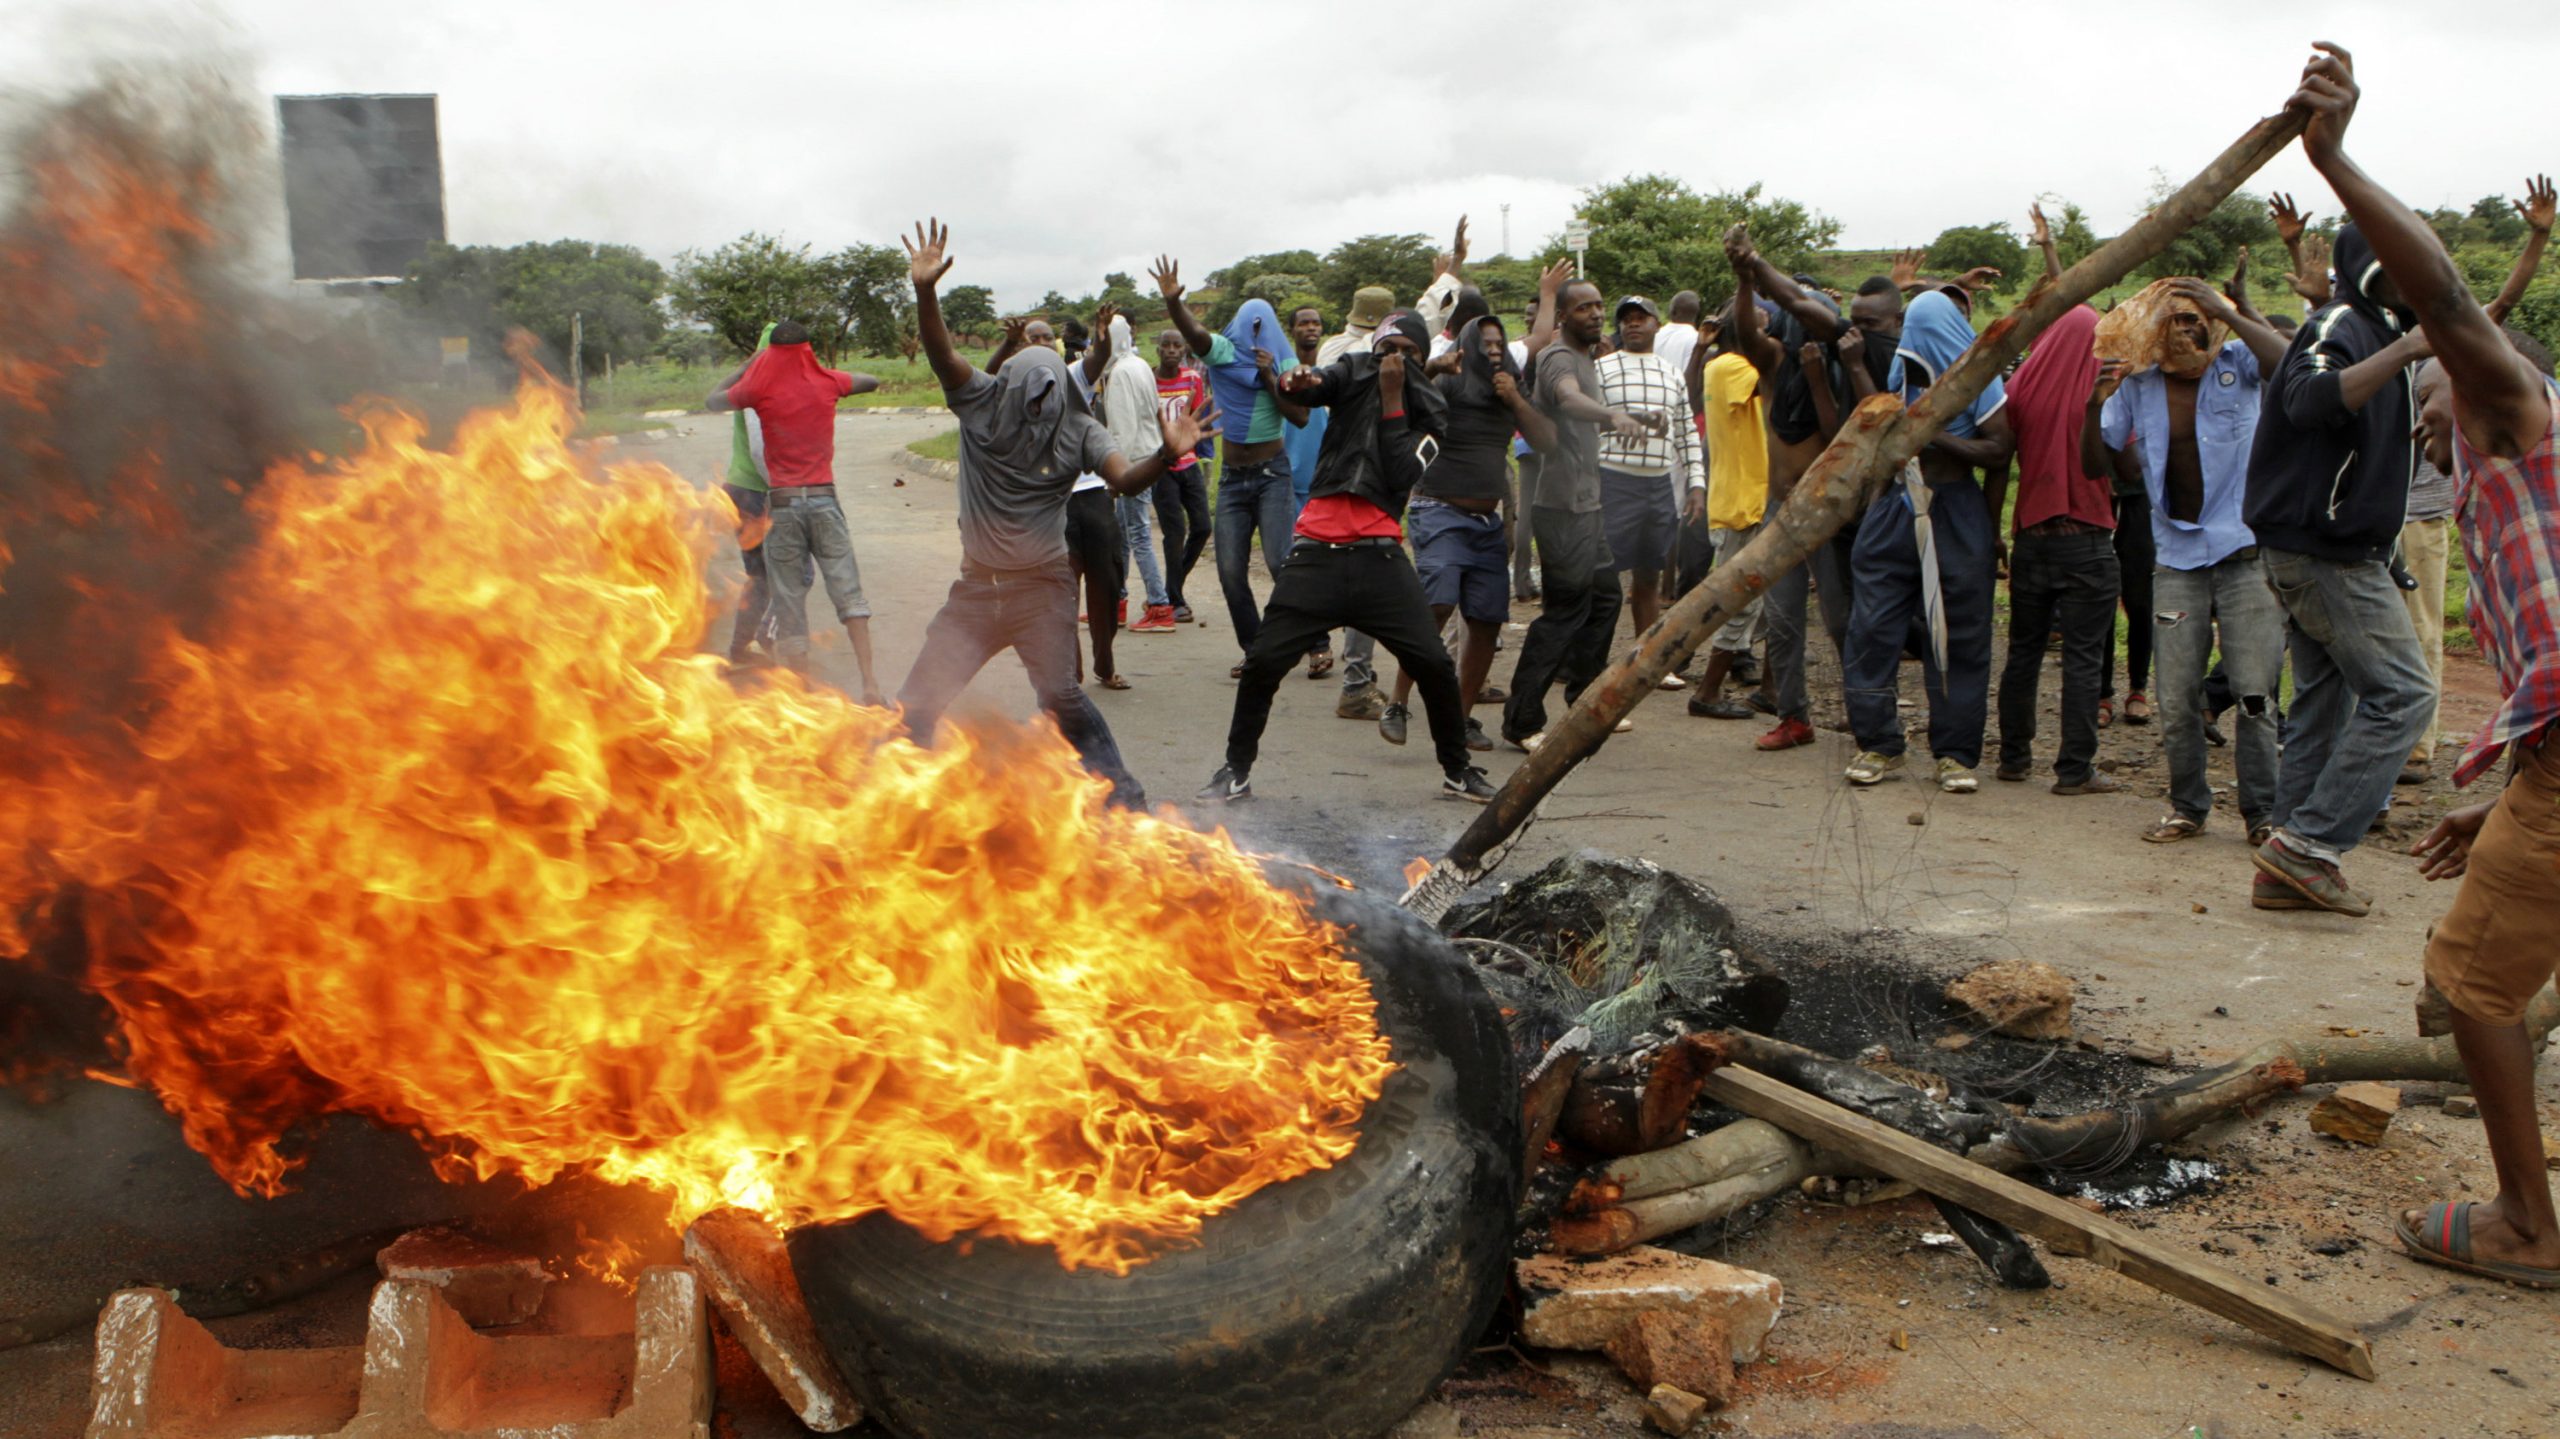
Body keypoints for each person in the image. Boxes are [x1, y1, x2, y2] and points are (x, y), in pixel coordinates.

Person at [2267, 44, 2560, 1290]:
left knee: (2469, 984)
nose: (2421, 419)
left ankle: (2526, 1227)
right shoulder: (2515, 471)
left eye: (2429, 395)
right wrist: (2509, 791)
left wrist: (2333, 159)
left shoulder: (2510, 417)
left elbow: (2441, 292)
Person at [895, 220, 1200, 810]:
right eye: (1028, 395)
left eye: (1048, 395)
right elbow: (940, 353)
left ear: (1064, 389)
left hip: (1041, 587)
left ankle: (1125, 801)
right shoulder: (981, 401)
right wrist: (925, 292)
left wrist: (1165, 456)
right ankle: (896, 798)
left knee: (1060, 696)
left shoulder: (1079, 427)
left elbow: (1123, 478)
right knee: (918, 700)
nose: (1037, 408)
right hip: (977, 591)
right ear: (1007, 382)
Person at [1197, 311, 1495, 804]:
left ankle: (1457, 771)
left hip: (1380, 560)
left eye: (1407, 352)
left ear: (1421, 359)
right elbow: (1311, 388)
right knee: (1263, 663)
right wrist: (1296, 380)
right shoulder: (1353, 370)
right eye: (1386, 350)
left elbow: (1401, 472)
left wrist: (1395, 401)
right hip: (1316, 553)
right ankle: (1236, 770)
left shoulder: (1432, 411)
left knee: (1433, 663)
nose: (1393, 360)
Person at [2241, 200, 2438, 913]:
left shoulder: (2380, 329)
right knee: (2405, 694)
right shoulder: (2342, 325)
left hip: (2334, 549)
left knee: (2325, 703)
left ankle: (2284, 866)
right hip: (2324, 551)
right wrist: (2404, 354)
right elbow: (2306, 399)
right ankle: (2310, 846)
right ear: (2377, 269)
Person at [2090, 272, 2289, 846]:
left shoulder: (2241, 365)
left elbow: (2287, 362)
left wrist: (2238, 308)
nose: (2186, 330)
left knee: (2255, 696)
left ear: (2214, 324)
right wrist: (2093, 403)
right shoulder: (2140, 386)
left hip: (2246, 554)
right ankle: (2188, 808)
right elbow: (2097, 463)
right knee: (2176, 698)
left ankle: (2263, 814)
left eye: (2196, 318)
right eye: (2174, 320)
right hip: (2176, 558)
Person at [2398, 175, 2553, 785]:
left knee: (2423, 630)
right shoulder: (2393, 346)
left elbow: (2499, 306)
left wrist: (2537, 238)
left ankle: (2419, 746)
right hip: (2392, 517)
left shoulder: (2460, 353)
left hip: (2422, 512)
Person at [1839, 288, 2014, 792]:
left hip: (1955, 508)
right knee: (1872, 628)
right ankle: (1878, 743)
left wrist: (1931, 434)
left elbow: (1999, 450)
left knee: (1959, 634)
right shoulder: (1903, 375)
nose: (1915, 341)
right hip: (1897, 503)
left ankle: (1955, 754)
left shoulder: (1979, 380)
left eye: (1925, 332)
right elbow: (1880, 437)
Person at [1723, 234, 1885, 753]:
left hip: (1828, 510)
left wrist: (1818, 377)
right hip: (1782, 509)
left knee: (1841, 619)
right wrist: (1744, 281)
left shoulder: (1844, 367)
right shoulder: (1774, 362)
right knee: (1783, 618)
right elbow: (1744, 333)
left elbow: (1840, 433)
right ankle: (1794, 716)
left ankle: (1866, 715)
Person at [1379, 314, 1557, 751]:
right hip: (1437, 509)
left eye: (1499, 343)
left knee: (1487, 621)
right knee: (1438, 603)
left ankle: (1458, 720)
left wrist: (1514, 399)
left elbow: (1547, 440)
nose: (1493, 350)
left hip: (1486, 521)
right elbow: (1403, 396)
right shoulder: (1450, 382)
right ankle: (1398, 702)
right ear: (1468, 345)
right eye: (1485, 343)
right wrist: (1433, 368)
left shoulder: (1510, 387)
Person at [1502, 280, 1663, 751]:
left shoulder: (1585, 356)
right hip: (1562, 508)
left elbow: (1579, 415)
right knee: (1564, 614)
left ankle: (1585, 701)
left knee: (1606, 600)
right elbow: (1568, 398)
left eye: (1598, 306)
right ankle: (1522, 720)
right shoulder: (1559, 358)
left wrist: (1633, 418)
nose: (1594, 314)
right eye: (1583, 308)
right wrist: (1613, 417)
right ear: (1563, 317)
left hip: (1586, 506)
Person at [703, 319, 885, 701]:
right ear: (807, 351)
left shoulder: (758, 388)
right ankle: (870, 684)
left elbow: (712, 400)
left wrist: (747, 368)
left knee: (788, 603)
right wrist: (822, 372)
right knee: (849, 595)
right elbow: (871, 380)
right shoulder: (827, 382)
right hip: (824, 502)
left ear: (769, 353)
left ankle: (802, 691)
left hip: (783, 507)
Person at [1987, 304, 2119, 793]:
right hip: (2086, 537)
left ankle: (2013, 758)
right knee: (2083, 659)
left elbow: (2001, 458)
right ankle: (2074, 769)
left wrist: (1995, 532)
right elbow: (2126, 461)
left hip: (2032, 537)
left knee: (2023, 652)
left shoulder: (2020, 385)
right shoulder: (2102, 388)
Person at [1150, 259, 1302, 675]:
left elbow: (1300, 417)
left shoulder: (1286, 364)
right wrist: (1173, 303)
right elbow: (1196, 335)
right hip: (1234, 480)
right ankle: (1256, 651)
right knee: (1230, 571)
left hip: (1273, 475)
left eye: (1261, 326)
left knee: (1279, 562)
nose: (1254, 333)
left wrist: (1269, 376)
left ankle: (1310, 638)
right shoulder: (1224, 352)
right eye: (1249, 325)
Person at [1284, 301, 1384, 714]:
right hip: (1312, 483)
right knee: (1304, 568)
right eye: (1303, 322)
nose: (1311, 328)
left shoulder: (1348, 361)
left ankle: (1342, 663)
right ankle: (1314, 650)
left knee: (1348, 573)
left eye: (1316, 322)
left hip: (1343, 484)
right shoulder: (1338, 361)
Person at [1594, 296, 1708, 658]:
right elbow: (1587, 423)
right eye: (1626, 318)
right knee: (1604, 578)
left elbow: (1686, 432)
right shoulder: (1601, 369)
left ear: (1656, 324)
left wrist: (1696, 483)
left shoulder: (1671, 373)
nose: (1633, 323)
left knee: (1649, 576)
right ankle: (1591, 664)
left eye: (1641, 318)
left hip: (1658, 485)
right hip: (1614, 482)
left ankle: (1644, 662)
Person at [1685, 312, 1769, 720]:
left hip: (1741, 496)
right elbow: (1778, 382)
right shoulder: (1735, 367)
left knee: (1759, 601)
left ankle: (1769, 687)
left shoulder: (1719, 365)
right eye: (1761, 324)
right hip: (1743, 501)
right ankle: (1708, 690)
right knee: (1741, 602)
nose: (1768, 332)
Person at [1099, 315, 1179, 637]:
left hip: (1133, 463)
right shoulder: (1140, 364)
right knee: (1123, 533)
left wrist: (1116, 475)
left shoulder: (1120, 374)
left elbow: (1123, 428)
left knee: (1137, 533)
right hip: (1149, 455)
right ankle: (1115, 600)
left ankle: (1159, 605)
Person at [1149, 330, 1212, 623]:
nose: (1172, 350)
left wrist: (1202, 453)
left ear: (1185, 349)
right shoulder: (1148, 381)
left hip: (1189, 463)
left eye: (1177, 345)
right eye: (1166, 345)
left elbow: (1198, 419)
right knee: (1174, 533)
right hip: (1161, 467)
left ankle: (1170, 587)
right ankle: (1175, 599)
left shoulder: (1193, 379)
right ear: (1158, 349)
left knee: (1202, 527)